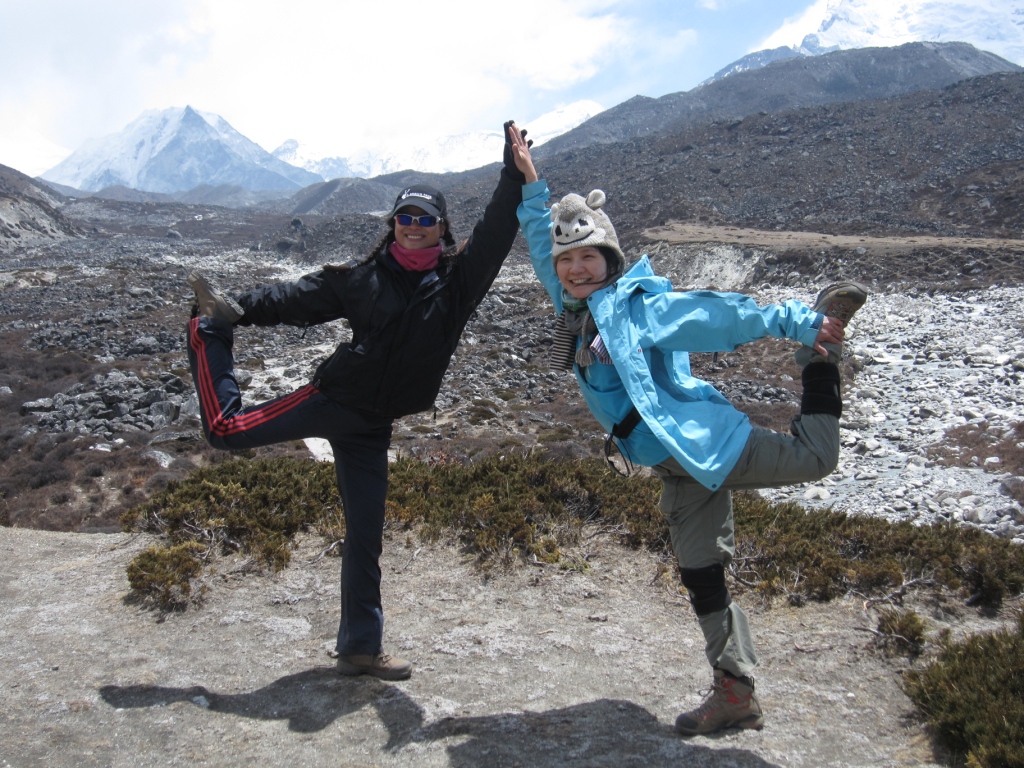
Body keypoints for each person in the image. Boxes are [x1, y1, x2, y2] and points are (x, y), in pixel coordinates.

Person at [506, 126, 868, 734]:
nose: (574, 267)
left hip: (709, 447)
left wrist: (798, 324)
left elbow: (716, 316)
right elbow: (546, 248)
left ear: (610, 260)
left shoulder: (640, 310)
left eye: (588, 257)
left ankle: (820, 361)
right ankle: (736, 693)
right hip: (678, 469)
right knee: (701, 574)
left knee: (816, 459)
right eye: (568, 261)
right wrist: (531, 183)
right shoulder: (576, 307)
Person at [186, 122, 531, 681]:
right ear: (392, 223)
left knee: (365, 539)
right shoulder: (363, 278)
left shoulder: (458, 283)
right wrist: (236, 310)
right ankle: (206, 333)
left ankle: (360, 649)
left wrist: (512, 177)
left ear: (442, 229)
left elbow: (495, 232)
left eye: (425, 219)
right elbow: (296, 299)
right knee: (226, 431)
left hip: (373, 426)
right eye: (405, 217)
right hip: (333, 400)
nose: (414, 227)